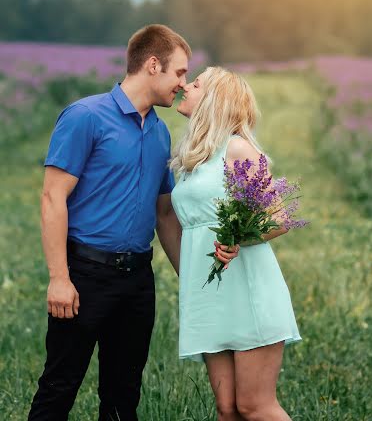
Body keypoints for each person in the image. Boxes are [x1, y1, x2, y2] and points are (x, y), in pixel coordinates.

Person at [27, 24, 235, 421]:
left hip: (137, 282)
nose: (183, 83)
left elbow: (165, 215)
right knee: (59, 387)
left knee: (124, 396)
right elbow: (53, 197)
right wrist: (59, 277)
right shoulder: (86, 116)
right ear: (153, 65)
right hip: (84, 274)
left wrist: (191, 280)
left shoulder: (159, 133)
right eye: (179, 73)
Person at [170, 66, 302, 421]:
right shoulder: (191, 158)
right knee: (227, 409)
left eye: (195, 84)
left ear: (213, 100)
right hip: (209, 291)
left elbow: (278, 218)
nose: (184, 86)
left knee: (254, 406)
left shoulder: (237, 148)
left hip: (246, 288)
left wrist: (236, 238)